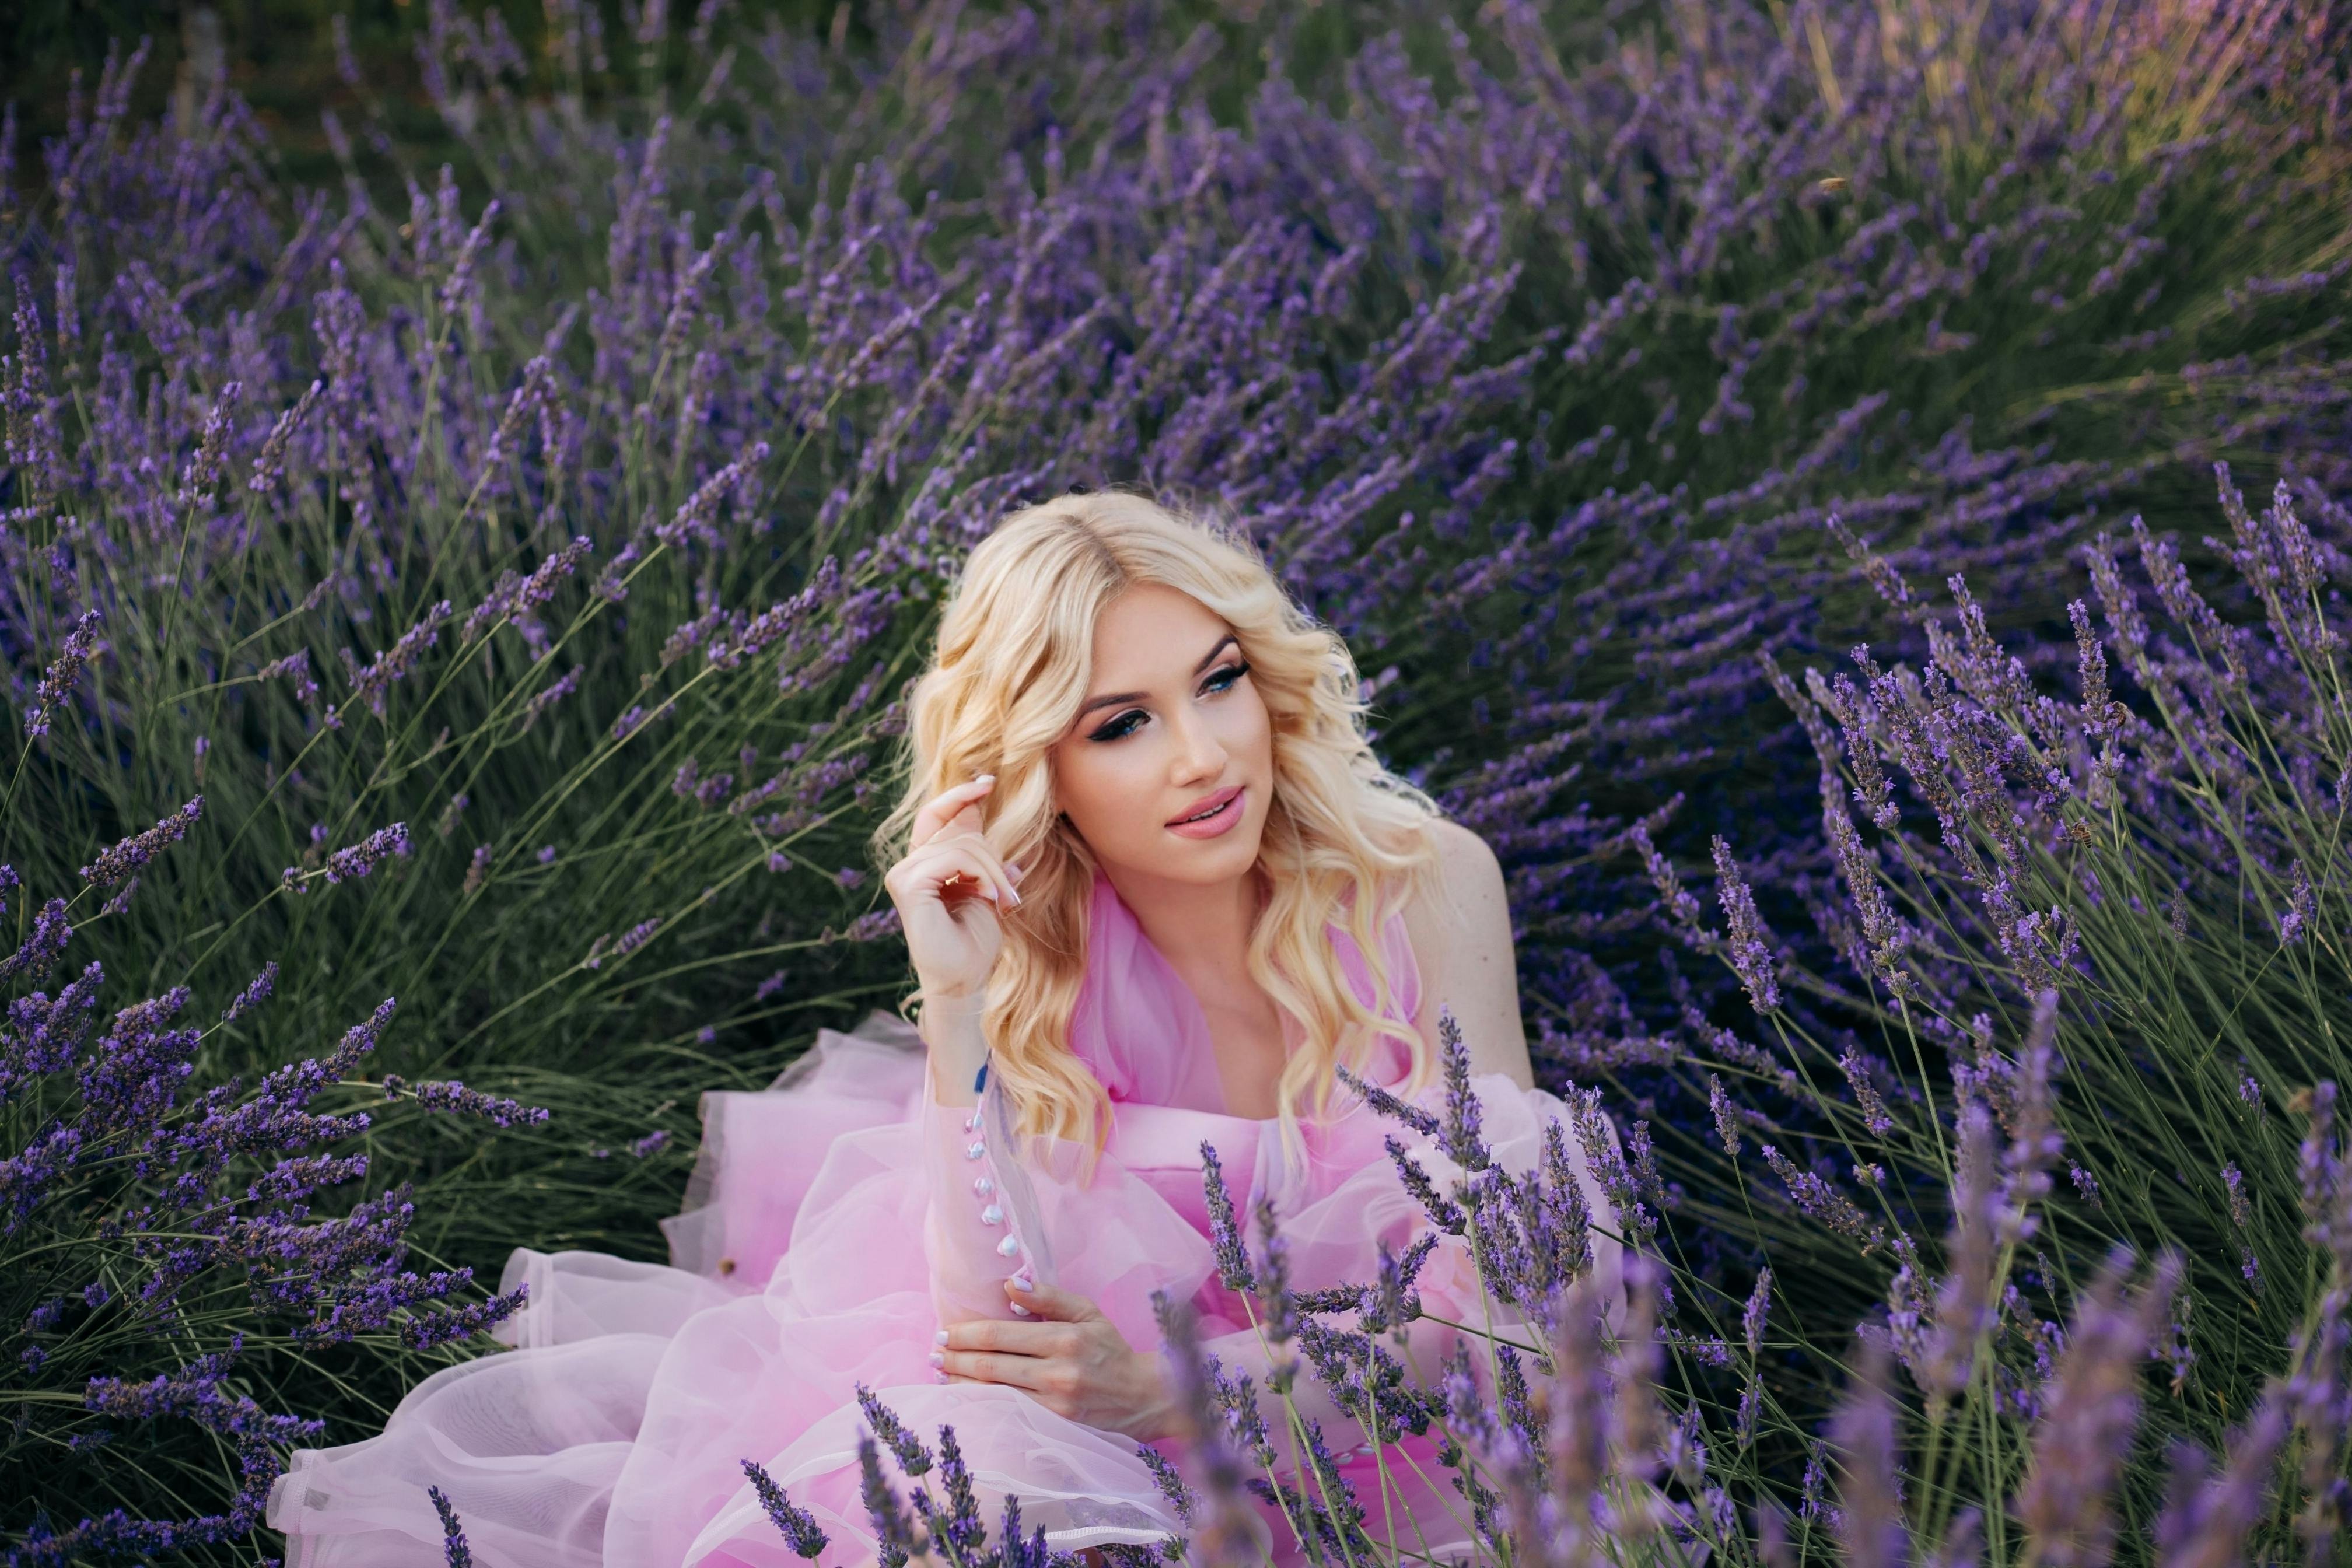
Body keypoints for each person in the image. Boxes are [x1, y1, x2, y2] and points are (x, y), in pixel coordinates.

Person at [266, 489, 1629, 1567]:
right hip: (1106, 1458)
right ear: (1038, 767)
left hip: (1375, 1439)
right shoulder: (1042, 962)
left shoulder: (1426, 885)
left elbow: (1508, 1290)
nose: (1205, 756)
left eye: (1217, 682)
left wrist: (1180, 1388)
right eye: (1122, 724)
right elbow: (990, 1348)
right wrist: (964, 1004)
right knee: (959, 1498)